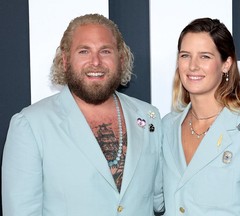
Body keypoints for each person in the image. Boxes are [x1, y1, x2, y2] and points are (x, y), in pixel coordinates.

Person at [2, 13, 164, 216]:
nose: (95, 62)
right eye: (84, 51)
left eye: (105, 51)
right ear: (65, 60)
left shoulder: (149, 117)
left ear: (121, 59)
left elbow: (162, 199)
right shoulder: (30, 125)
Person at [162, 17, 240, 215]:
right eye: (185, 55)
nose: (192, 66)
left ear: (226, 64)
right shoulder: (167, 127)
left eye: (205, 57)